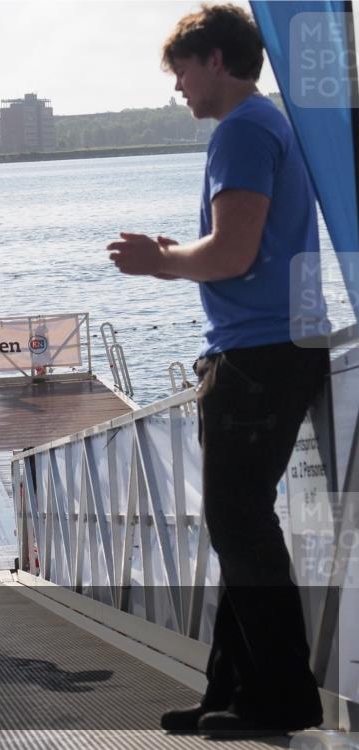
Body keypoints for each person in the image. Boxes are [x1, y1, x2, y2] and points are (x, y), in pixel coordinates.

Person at [107, 4, 328, 736]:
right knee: (239, 524)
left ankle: (283, 697)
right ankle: (231, 690)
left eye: (181, 71)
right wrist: (178, 255)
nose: (177, 87)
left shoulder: (242, 130)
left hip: (258, 353)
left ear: (215, 61)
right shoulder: (266, 125)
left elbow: (233, 253)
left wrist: (159, 261)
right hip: (277, 346)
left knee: (240, 525)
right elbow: (245, 247)